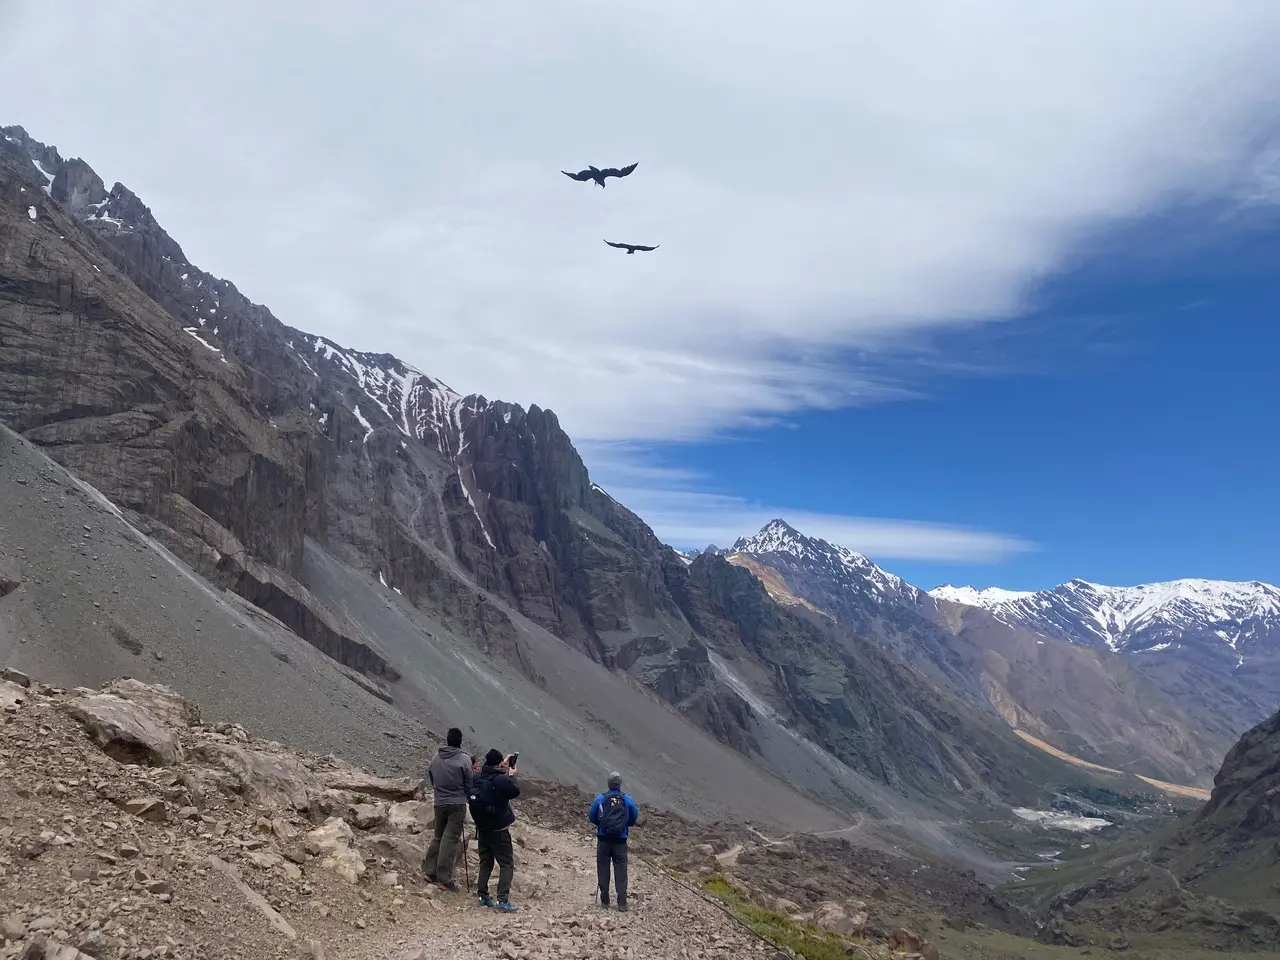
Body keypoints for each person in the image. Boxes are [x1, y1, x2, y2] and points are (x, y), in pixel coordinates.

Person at [470, 748, 521, 912]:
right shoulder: (501, 779)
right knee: (506, 863)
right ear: (498, 763)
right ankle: (502, 899)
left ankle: (483, 896)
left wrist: (501, 766)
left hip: (482, 827)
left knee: (486, 861)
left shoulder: (477, 776)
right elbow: (514, 791)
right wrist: (511, 775)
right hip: (499, 828)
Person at [422, 727, 472, 892]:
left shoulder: (436, 757)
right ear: (459, 741)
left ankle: (430, 872)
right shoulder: (464, 759)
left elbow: (430, 773)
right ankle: (444, 879)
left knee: (438, 836)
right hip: (456, 804)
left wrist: (438, 789)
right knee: (449, 839)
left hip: (439, 802)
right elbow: (468, 782)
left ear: (448, 739)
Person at [589, 771, 640, 911]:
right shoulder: (627, 799)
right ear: (620, 784)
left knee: (603, 867)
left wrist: (602, 825)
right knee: (621, 870)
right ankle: (622, 903)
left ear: (608, 783)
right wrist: (623, 825)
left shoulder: (600, 799)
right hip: (620, 840)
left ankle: (605, 900)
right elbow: (634, 817)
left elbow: (592, 816)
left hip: (603, 839)